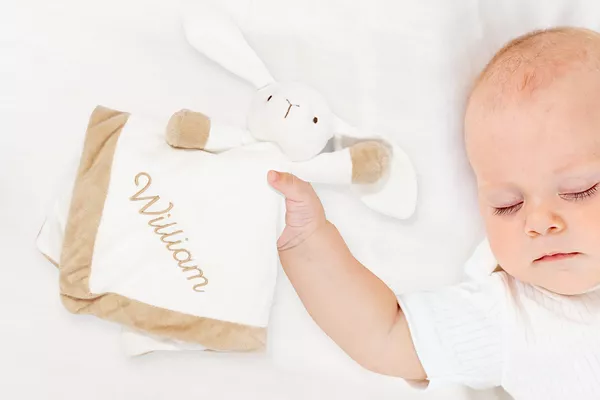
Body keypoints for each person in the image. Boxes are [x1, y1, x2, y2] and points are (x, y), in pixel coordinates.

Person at [267, 26, 600, 399]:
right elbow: (383, 335)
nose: (537, 222)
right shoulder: (512, 316)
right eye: (507, 205)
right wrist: (309, 242)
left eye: (580, 190)